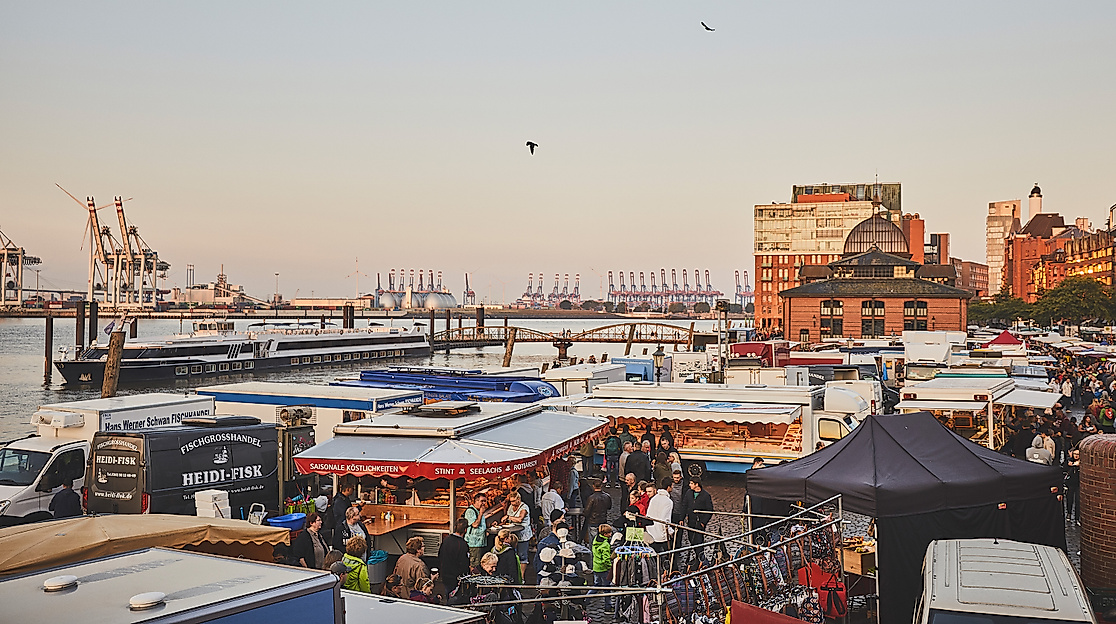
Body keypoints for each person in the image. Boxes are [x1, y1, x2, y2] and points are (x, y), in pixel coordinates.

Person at [682, 477, 713, 565]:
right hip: (691, 522)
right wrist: (682, 518)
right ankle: (697, 558)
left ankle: (702, 560)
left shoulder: (705, 495)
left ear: (697, 484)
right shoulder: (689, 493)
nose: (689, 485)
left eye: (691, 483)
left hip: (699, 523)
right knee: (691, 540)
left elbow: (709, 510)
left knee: (699, 541)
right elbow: (684, 506)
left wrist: (703, 522)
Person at [501, 490, 532, 576]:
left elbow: (519, 519)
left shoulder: (524, 508)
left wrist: (508, 516)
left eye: (514, 501)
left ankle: (522, 577)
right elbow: (508, 518)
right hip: (514, 534)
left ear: (519, 499)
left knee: (522, 555)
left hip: (523, 534)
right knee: (513, 554)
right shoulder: (511, 506)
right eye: (511, 501)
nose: (512, 503)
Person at [440, 518, 471, 597]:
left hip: (445, 574)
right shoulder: (463, 545)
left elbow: (440, 555)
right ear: (465, 530)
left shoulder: (446, 540)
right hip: (455, 577)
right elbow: (464, 563)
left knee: (447, 595)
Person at [646, 477, 674, 553]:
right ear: (668, 487)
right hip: (661, 534)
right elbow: (665, 519)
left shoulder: (654, 498)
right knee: (668, 554)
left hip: (651, 531)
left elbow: (648, 515)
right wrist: (670, 532)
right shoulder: (668, 502)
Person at [591, 524, 614, 608]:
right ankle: (608, 606)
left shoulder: (595, 540)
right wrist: (610, 567)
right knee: (607, 588)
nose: (611, 534)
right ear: (605, 534)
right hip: (604, 569)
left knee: (596, 585)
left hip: (596, 567)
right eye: (609, 533)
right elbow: (606, 559)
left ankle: (586, 599)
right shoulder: (605, 545)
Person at [464, 492, 489, 567]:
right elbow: (475, 524)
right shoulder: (470, 511)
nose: (484, 503)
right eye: (482, 501)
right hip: (474, 543)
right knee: (474, 564)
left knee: (480, 563)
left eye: (485, 501)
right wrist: (481, 513)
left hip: (481, 542)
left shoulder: (479, 511)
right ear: (476, 501)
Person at [583, 479, 612, 543]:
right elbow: (609, 507)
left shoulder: (591, 498)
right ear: (601, 485)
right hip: (603, 520)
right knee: (603, 540)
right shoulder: (607, 496)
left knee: (593, 542)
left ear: (593, 486)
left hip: (593, 521)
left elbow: (586, 511)